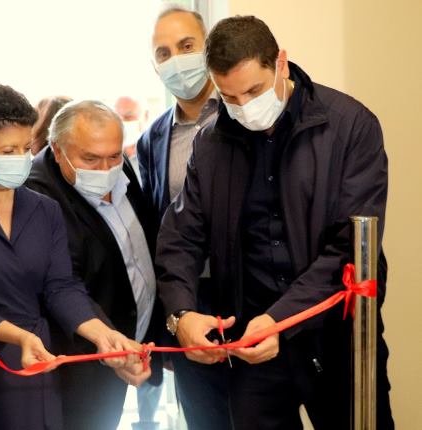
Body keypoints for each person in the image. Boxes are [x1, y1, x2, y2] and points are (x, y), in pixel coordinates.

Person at [156, 15, 394, 430]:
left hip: (337, 337)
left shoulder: (350, 126)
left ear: (280, 63)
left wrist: (282, 318)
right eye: (230, 97)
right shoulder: (210, 143)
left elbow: (350, 247)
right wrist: (181, 313)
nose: (244, 107)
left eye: (254, 91)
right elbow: (180, 237)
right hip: (252, 343)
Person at [0, 83, 147, 430]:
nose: (21, 158)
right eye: (8, 150)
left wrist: (101, 333)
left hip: (35, 365)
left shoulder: (45, 209)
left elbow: (62, 287)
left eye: (26, 148)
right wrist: (20, 337)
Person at [26, 100, 163, 430]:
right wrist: (107, 339)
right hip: (82, 361)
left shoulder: (120, 166)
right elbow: (61, 285)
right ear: (57, 150)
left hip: (132, 342)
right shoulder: (36, 197)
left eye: (113, 156)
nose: (105, 170)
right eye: (90, 159)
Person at [136, 6, 230, 429]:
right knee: (203, 417)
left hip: (251, 294)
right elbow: (159, 230)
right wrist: (170, 318)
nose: (176, 60)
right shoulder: (152, 139)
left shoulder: (242, 115)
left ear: (209, 48)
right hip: (190, 299)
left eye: (186, 46)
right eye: (164, 53)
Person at [113, 96, 146, 180]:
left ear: (145, 116)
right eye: (117, 118)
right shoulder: (107, 157)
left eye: (128, 116)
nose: (121, 122)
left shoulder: (155, 154)